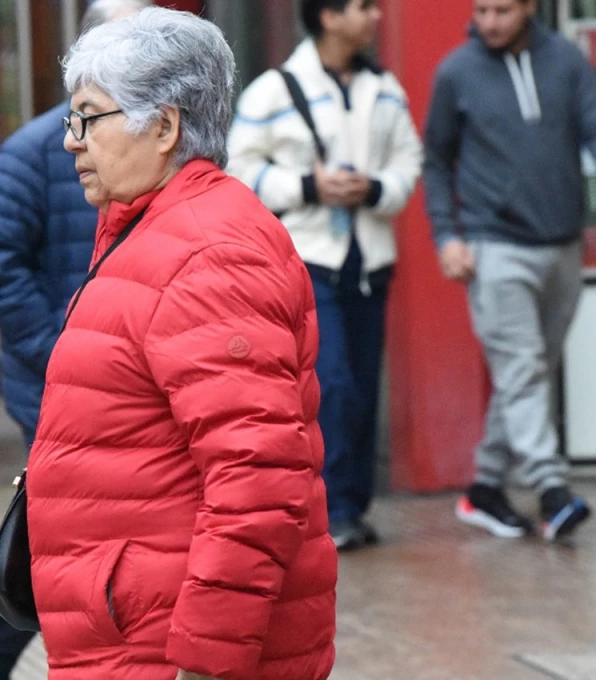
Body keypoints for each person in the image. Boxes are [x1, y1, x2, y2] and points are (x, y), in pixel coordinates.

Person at [27, 9, 337, 679]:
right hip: (136, 633)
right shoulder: (152, 229)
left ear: (164, 127)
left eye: (88, 117)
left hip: (166, 651)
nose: (71, 142)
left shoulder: (207, 254)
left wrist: (207, 662)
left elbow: (257, 479)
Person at [0, 3, 152, 676]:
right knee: (84, 537)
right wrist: (61, 350)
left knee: (114, 539)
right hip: (54, 387)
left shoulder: (158, 146)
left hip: (132, 384)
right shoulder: (39, 147)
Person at [423, 0, 596, 541]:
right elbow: (434, 162)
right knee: (522, 368)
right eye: (483, 10)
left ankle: (485, 487)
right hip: (495, 248)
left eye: (502, 10)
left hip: (563, 245)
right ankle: (551, 490)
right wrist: (448, 237)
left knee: (527, 371)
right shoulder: (457, 72)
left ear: (529, 7)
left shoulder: (566, 60)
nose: (489, 21)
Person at [226, 0, 423, 551]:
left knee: (360, 386)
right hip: (306, 258)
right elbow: (238, 170)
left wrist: (376, 189)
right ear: (329, 16)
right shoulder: (272, 90)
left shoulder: (384, 89)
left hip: (370, 259)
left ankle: (353, 506)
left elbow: (410, 161)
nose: (377, 16)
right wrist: (309, 187)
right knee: (330, 383)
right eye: (363, 7)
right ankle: (330, 508)